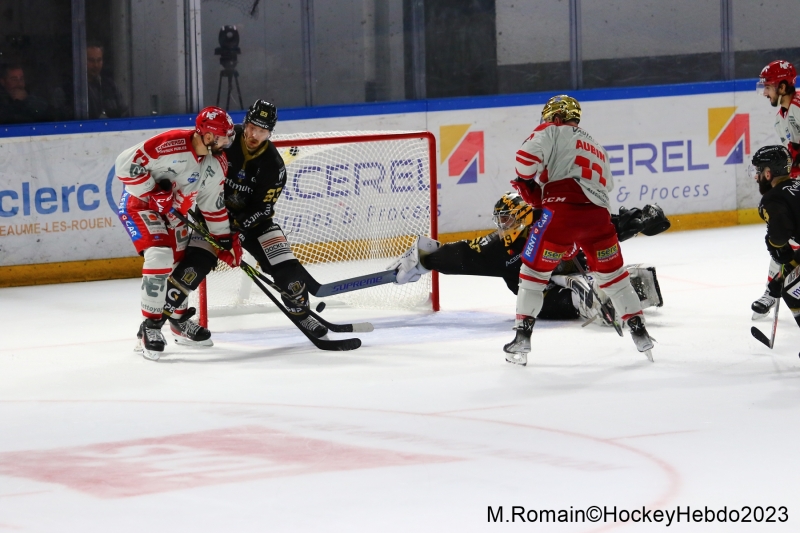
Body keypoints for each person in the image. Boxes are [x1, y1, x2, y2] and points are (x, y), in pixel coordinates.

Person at [501, 94, 654, 365]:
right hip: (598, 219)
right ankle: (640, 332)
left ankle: (522, 338)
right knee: (615, 279)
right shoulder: (596, 146)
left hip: (560, 215)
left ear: (556, 117)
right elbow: (601, 188)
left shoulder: (553, 130)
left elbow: (524, 159)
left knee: (533, 274)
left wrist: (525, 182)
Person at [159, 99, 329, 339]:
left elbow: (264, 208)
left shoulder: (274, 166)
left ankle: (303, 315)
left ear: (270, 132)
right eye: (251, 127)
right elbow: (190, 160)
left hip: (255, 224)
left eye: (262, 131)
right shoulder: (223, 140)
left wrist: (236, 230)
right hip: (211, 217)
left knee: (289, 273)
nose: (254, 134)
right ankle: (169, 321)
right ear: (245, 123)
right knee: (192, 268)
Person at [392, 190, 666, 326]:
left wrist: (640, 220)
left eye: (509, 219)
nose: (504, 226)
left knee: (618, 275)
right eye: (501, 220)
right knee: (588, 291)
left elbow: (600, 227)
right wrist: (425, 258)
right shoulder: (498, 248)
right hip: (544, 298)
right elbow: (463, 254)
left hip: (574, 269)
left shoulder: (552, 224)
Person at [116, 106, 240, 361]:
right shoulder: (171, 144)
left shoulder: (216, 163)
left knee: (181, 264)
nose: (227, 142)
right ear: (207, 136)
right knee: (160, 257)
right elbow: (124, 166)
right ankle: (149, 328)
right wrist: (152, 192)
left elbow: (211, 205)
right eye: (223, 137)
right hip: (140, 205)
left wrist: (223, 239)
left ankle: (178, 321)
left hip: (174, 213)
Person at [751, 60, 800, 319]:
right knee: (783, 236)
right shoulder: (782, 116)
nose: (764, 92)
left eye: (768, 87)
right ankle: (776, 289)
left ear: (782, 86)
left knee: (786, 236)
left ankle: (775, 290)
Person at [753, 144, 800, 327]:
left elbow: (779, 237)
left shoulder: (773, 198)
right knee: (789, 284)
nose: (756, 176)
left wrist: (774, 245)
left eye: (759, 170)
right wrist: (782, 276)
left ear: (768, 173)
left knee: (792, 291)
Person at [86, 42, 129, 119]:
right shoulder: (72, 89)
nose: (95, 65)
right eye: (91, 60)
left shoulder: (111, 86)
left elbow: (125, 113)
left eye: (99, 60)